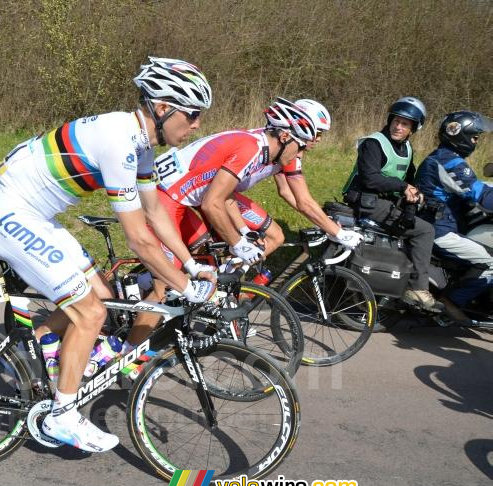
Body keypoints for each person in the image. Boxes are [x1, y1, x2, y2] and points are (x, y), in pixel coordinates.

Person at [0, 57, 216, 453]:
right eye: (191, 115)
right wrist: (185, 287)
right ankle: (62, 416)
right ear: (162, 108)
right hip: (9, 217)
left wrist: (189, 265)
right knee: (92, 313)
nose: (196, 125)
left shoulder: (138, 143)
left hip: (35, 216)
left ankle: (28, 352)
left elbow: (156, 211)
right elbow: (139, 238)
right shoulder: (119, 142)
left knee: (103, 296)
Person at [125, 97, 363, 348]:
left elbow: (225, 197)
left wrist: (242, 233)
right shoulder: (254, 149)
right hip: (167, 197)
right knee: (165, 284)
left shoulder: (271, 148)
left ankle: (205, 299)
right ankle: (130, 357)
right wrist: (239, 242)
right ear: (287, 136)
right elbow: (213, 203)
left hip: (186, 197)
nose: (303, 153)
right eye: (304, 144)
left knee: (204, 250)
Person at [342, 97, 443, 312]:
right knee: (425, 231)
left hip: (383, 200)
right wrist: (402, 186)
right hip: (365, 200)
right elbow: (370, 178)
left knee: (419, 219)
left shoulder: (406, 148)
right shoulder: (374, 143)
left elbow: (410, 177)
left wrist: (418, 193)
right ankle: (418, 287)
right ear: (389, 121)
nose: (398, 126)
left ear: (413, 129)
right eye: (396, 121)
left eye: (405, 124)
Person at [415, 111, 493, 319]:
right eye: (475, 136)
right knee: (491, 262)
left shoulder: (446, 157)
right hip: (439, 230)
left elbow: (468, 191)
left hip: (441, 223)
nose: (476, 141)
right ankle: (450, 302)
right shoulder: (448, 162)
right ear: (461, 135)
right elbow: (481, 195)